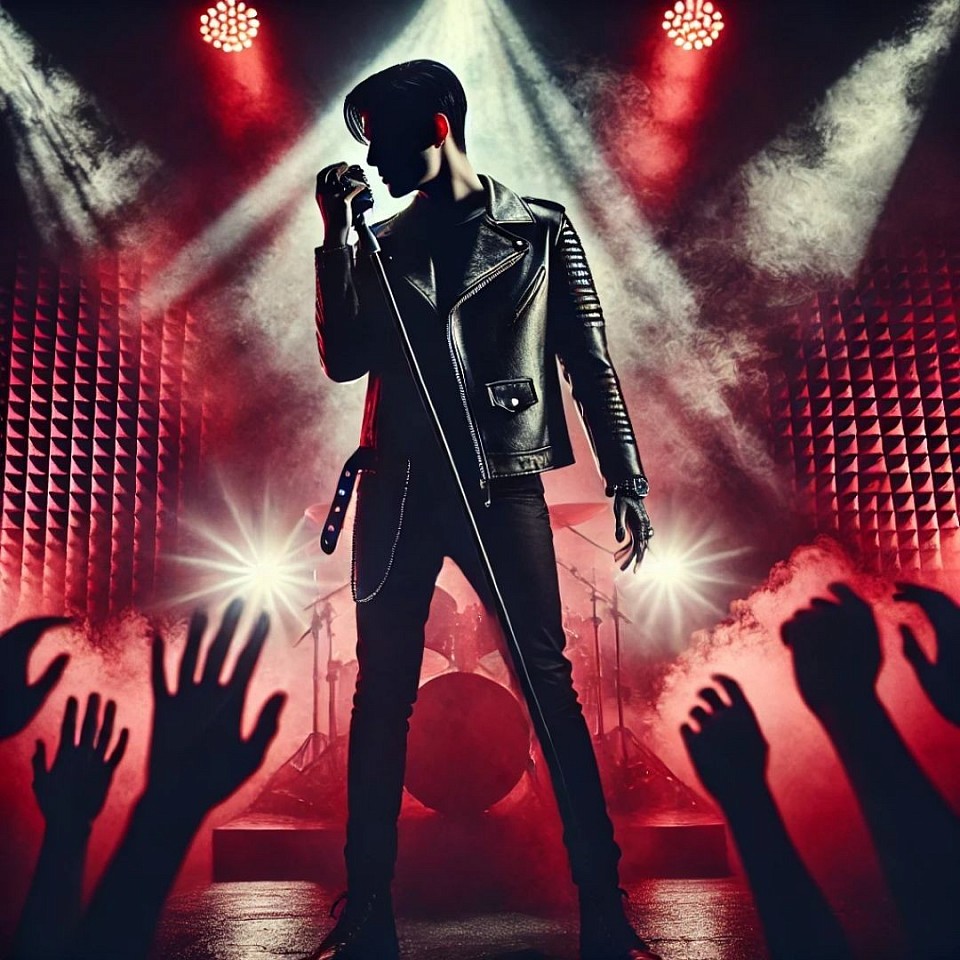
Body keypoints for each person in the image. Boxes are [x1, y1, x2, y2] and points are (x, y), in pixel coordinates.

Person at [312, 60, 657, 960]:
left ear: (436, 127)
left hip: (503, 480)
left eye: (382, 142)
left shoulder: (539, 228)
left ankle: (604, 909)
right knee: (381, 696)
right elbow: (344, 361)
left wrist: (626, 475)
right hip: (397, 486)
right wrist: (337, 236)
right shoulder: (377, 241)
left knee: (548, 686)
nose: (372, 163)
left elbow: (588, 360)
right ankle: (369, 913)